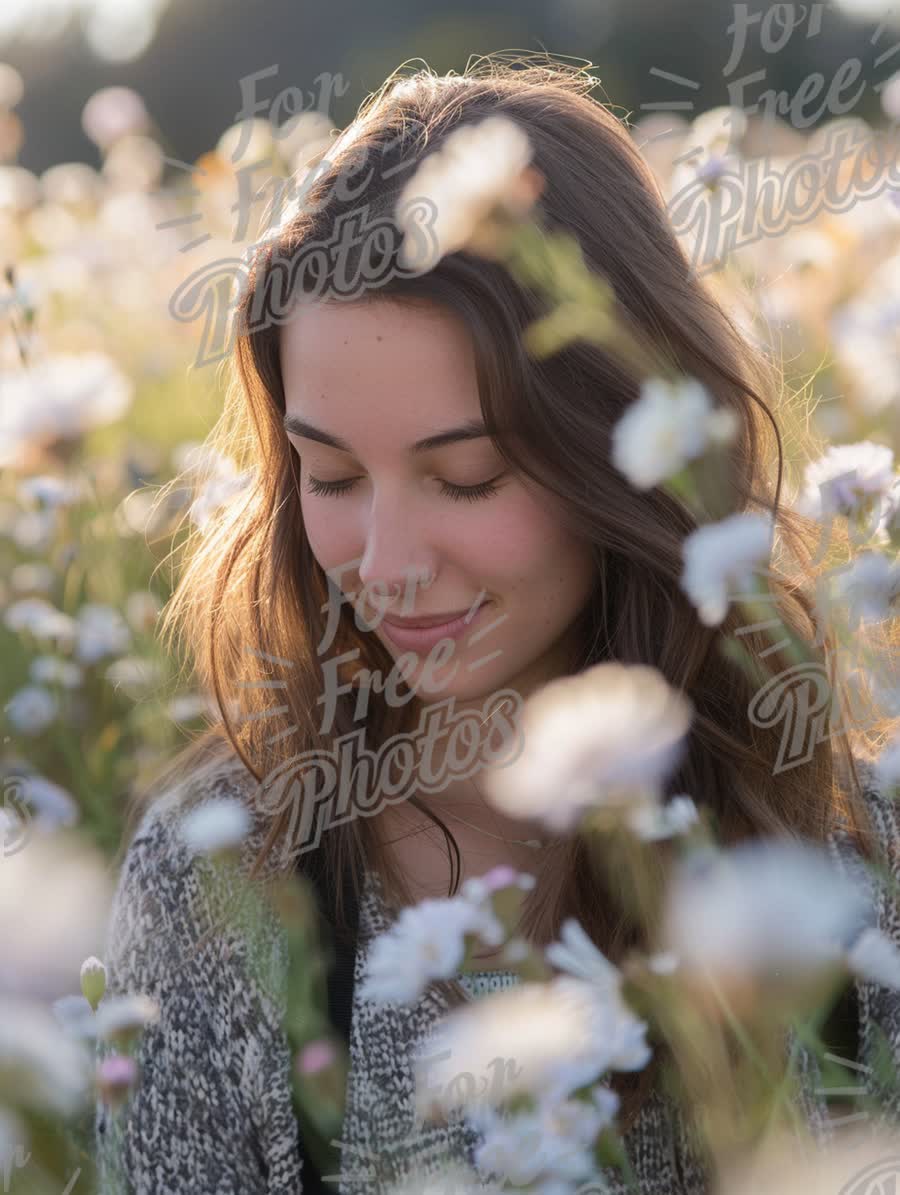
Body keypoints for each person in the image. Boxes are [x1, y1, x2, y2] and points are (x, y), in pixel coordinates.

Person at [94, 55, 900, 1194]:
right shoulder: (214, 878)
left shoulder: (852, 850)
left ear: (621, 452)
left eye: (465, 476)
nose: (382, 566)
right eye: (328, 476)